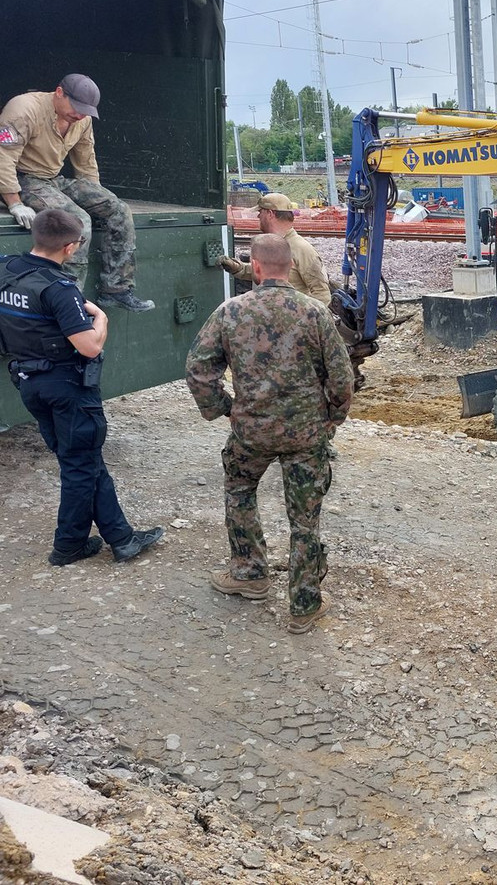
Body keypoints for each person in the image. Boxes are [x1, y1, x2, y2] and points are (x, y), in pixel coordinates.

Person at [186, 233, 353, 635]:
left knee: (240, 490)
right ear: (290, 266)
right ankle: (304, 607)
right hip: (305, 434)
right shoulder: (314, 312)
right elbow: (341, 377)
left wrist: (225, 409)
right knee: (304, 520)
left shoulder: (229, 312)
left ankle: (249, 574)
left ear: (256, 268)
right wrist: (332, 418)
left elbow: (198, 370)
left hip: (251, 432)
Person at [0, 208, 164, 565]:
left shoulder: (7, 269)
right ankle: (68, 546)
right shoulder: (60, 289)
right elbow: (89, 347)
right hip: (67, 387)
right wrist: (101, 318)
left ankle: (121, 538)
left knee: (83, 461)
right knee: (79, 467)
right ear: (70, 247)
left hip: (30, 383)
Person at [0, 75, 153, 312]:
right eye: (77, 107)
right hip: (23, 179)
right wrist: (14, 202)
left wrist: (95, 197)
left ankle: (116, 290)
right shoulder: (24, 108)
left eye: (86, 111)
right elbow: (3, 157)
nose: (80, 115)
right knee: (78, 221)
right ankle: (69, 297)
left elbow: (86, 160)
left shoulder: (82, 119)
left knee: (118, 209)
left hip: (52, 179)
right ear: (59, 92)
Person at [220, 193, 332, 304]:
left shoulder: (302, 249)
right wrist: (238, 268)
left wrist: (306, 314)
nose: (258, 216)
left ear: (270, 214)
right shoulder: (271, 243)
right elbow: (267, 273)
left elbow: (322, 294)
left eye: (260, 212)